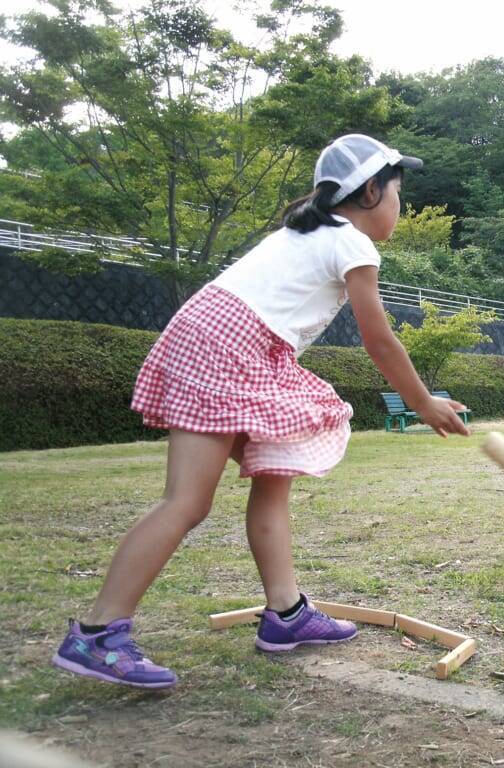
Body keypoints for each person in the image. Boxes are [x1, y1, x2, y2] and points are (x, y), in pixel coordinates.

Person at [52, 134, 470, 688]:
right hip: (227, 348)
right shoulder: (351, 242)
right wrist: (423, 402)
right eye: (398, 193)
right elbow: (379, 338)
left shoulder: (313, 230)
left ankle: (286, 615)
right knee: (186, 502)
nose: (400, 206)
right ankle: (96, 633)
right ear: (371, 191)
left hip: (228, 342)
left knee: (274, 474)